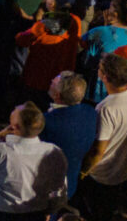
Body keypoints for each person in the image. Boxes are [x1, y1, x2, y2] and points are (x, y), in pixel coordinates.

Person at [80, 54, 127, 218]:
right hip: (124, 166)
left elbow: (99, 149)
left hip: (103, 173)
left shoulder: (107, 108)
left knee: (97, 211)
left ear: (105, 77)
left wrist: (84, 170)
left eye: (100, 68)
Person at [0, 102, 68, 219]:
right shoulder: (55, 152)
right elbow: (60, 188)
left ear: (14, 127)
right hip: (37, 214)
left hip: (0, 214)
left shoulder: (1, 151)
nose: (14, 108)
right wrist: (49, 211)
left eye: (15, 110)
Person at [40, 71, 96, 200]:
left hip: (47, 186)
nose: (52, 80)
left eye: (54, 81)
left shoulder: (47, 122)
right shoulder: (90, 112)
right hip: (71, 182)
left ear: (57, 95)